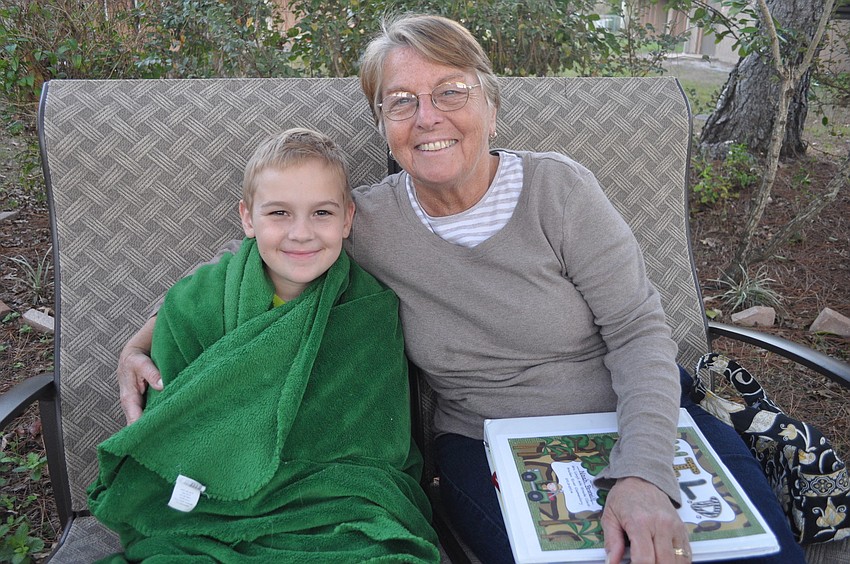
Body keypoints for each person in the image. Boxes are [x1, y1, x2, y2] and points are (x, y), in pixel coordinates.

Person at [117, 15, 805, 564]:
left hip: (643, 420)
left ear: (491, 107)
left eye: (451, 91)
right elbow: (260, 252)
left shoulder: (557, 190)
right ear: (384, 126)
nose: (429, 116)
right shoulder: (367, 219)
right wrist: (145, 333)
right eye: (402, 102)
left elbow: (639, 331)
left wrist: (644, 473)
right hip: (490, 442)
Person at [88, 128, 439, 563]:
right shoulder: (196, 302)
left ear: (348, 218)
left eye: (322, 213)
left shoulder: (368, 309)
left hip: (334, 502)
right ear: (248, 218)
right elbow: (175, 427)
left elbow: (376, 446)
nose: (301, 233)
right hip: (210, 501)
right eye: (279, 213)